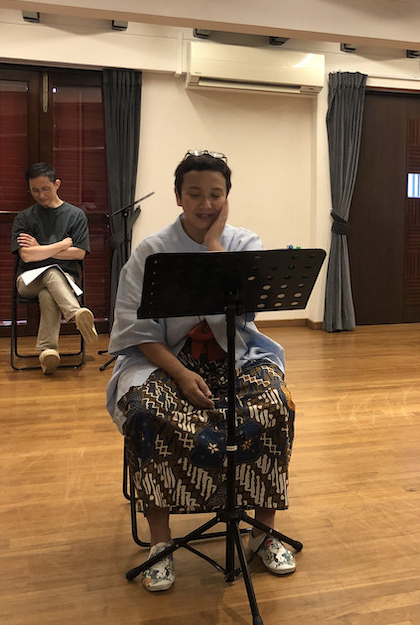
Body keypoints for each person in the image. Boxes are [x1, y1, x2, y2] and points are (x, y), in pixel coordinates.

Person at [105, 151, 297, 592]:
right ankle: (160, 543)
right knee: (146, 413)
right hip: (163, 359)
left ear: (228, 198)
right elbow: (137, 331)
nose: (206, 204)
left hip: (235, 356)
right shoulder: (151, 251)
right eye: (195, 193)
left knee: (274, 405)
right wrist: (180, 375)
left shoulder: (244, 245)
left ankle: (262, 532)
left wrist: (214, 249)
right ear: (177, 196)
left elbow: (245, 317)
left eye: (216, 194)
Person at [11, 162, 98, 374]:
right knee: (50, 272)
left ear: (57, 184)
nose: (40, 195)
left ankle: (47, 351)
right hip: (27, 280)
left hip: (64, 280)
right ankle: (76, 315)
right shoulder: (24, 217)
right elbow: (26, 255)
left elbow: (79, 253)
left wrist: (40, 248)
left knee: (49, 293)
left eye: (45, 189)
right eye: (34, 190)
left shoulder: (76, 215)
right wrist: (61, 245)